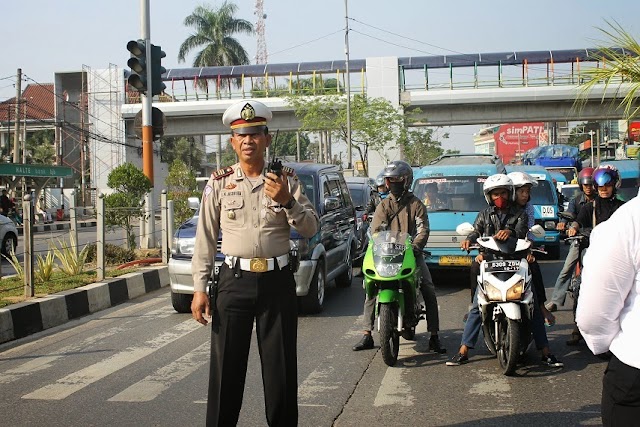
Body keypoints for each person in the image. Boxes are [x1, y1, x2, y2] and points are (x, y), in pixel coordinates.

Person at [190, 99, 319, 427]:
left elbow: (310, 227)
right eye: (242, 136)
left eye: (255, 134)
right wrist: (199, 288)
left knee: (280, 372)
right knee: (226, 373)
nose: (249, 141)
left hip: (277, 283)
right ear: (232, 142)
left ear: (267, 138)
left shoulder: (285, 181)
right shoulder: (219, 183)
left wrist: (287, 201)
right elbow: (205, 237)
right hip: (234, 281)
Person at [352, 160, 446, 354]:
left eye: (397, 179)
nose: (393, 183)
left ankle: (434, 335)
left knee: (428, 287)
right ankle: (367, 333)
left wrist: (417, 247)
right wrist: (378, 244)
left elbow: (423, 230)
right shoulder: (383, 206)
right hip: (386, 254)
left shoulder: (416, 205)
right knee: (370, 286)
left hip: (411, 254)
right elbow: (376, 231)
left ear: (406, 181)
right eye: (390, 179)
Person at [446, 174, 530, 366]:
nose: (499, 197)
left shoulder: (520, 214)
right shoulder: (484, 214)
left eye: (502, 193)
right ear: (489, 196)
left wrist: (510, 232)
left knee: (529, 301)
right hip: (491, 262)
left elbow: (521, 231)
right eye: (495, 194)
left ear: (510, 193)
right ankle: (464, 349)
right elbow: (476, 230)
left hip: (515, 262)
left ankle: (545, 349)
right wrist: (470, 239)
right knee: (478, 304)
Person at [576, 195, 640, 426]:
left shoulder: (626, 216)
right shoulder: (585, 205)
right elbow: (576, 221)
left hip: (633, 369)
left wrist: (608, 345)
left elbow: (593, 317)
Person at [564, 164, 625, 346]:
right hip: (593, 255)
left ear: (615, 184)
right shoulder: (590, 207)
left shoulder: (622, 208)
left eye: (607, 184)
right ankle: (578, 327)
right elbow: (577, 221)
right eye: (600, 185)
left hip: (617, 256)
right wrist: (573, 228)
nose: (603, 188)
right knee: (580, 286)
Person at [507, 171, 563, 367]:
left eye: (527, 191)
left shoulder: (528, 209)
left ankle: (545, 348)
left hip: (521, 254)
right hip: (499, 258)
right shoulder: (495, 209)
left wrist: (528, 250)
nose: (525, 195)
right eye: (521, 191)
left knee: (533, 291)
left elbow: (528, 232)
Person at [546, 167, 595, 312]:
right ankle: (556, 300)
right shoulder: (576, 201)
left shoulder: (601, 201)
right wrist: (563, 224)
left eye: (591, 184)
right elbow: (569, 215)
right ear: (581, 185)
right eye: (586, 185)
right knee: (567, 268)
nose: (589, 188)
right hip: (580, 238)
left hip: (598, 240)